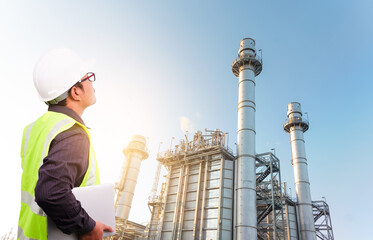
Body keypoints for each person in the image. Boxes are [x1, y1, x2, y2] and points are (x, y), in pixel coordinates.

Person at [18, 48, 113, 240]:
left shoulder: (34, 128)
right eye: (88, 77)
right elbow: (50, 192)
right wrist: (88, 226)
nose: (92, 83)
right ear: (75, 91)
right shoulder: (72, 132)